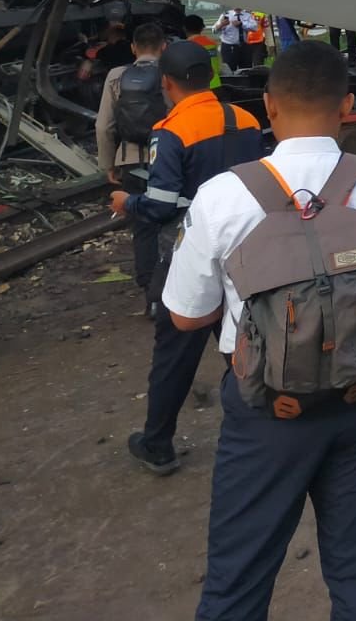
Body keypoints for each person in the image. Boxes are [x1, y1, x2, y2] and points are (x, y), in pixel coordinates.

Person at [162, 40, 356, 620]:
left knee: (238, 577)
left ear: (268, 107)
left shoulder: (222, 196)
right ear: (348, 106)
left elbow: (186, 315)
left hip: (266, 411)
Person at [112, 40, 263, 474]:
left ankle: (157, 443)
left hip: (193, 252)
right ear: (210, 76)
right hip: (248, 248)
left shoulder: (171, 130)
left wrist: (127, 203)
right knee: (243, 339)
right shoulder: (246, 119)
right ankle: (268, 426)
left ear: (168, 83)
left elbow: (159, 204)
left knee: (175, 346)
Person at [95, 22, 168, 307]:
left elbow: (103, 126)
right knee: (174, 224)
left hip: (131, 162)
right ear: (164, 46)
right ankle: (175, 291)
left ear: (133, 48)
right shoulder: (168, 75)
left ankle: (151, 294)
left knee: (144, 229)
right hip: (166, 160)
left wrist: (108, 164)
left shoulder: (116, 76)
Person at [185, 14, 223, 89]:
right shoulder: (212, 43)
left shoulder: (186, 45)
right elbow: (220, 66)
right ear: (202, 28)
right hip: (215, 84)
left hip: (197, 88)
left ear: (184, 28)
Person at [216, 8, 259, 72]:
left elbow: (255, 28)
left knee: (246, 70)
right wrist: (222, 24)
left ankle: (244, 82)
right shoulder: (226, 15)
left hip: (244, 46)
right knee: (230, 70)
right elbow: (214, 30)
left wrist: (241, 24)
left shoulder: (247, 15)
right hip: (229, 47)